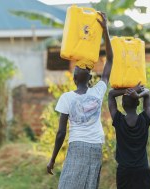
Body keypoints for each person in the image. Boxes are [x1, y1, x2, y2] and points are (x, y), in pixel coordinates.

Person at [46, 11, 112, 189]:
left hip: (77, 146)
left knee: (69, 184)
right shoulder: (98, 91)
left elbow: (61, 133)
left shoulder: (67, 97)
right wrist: (105, 29)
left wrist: (53, 159)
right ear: (91, 79)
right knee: (89, 185)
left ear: (74, 78)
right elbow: (110, 61)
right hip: (96, 147)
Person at [107, 83, 150, 189]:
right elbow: (148, 93)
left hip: (124, 172)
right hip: (143, 171)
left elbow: (111, 94)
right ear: (138, 103)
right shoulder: (145, 119)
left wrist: (130, 90)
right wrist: (137, 94)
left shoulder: (118, 120)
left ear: (122, 105)